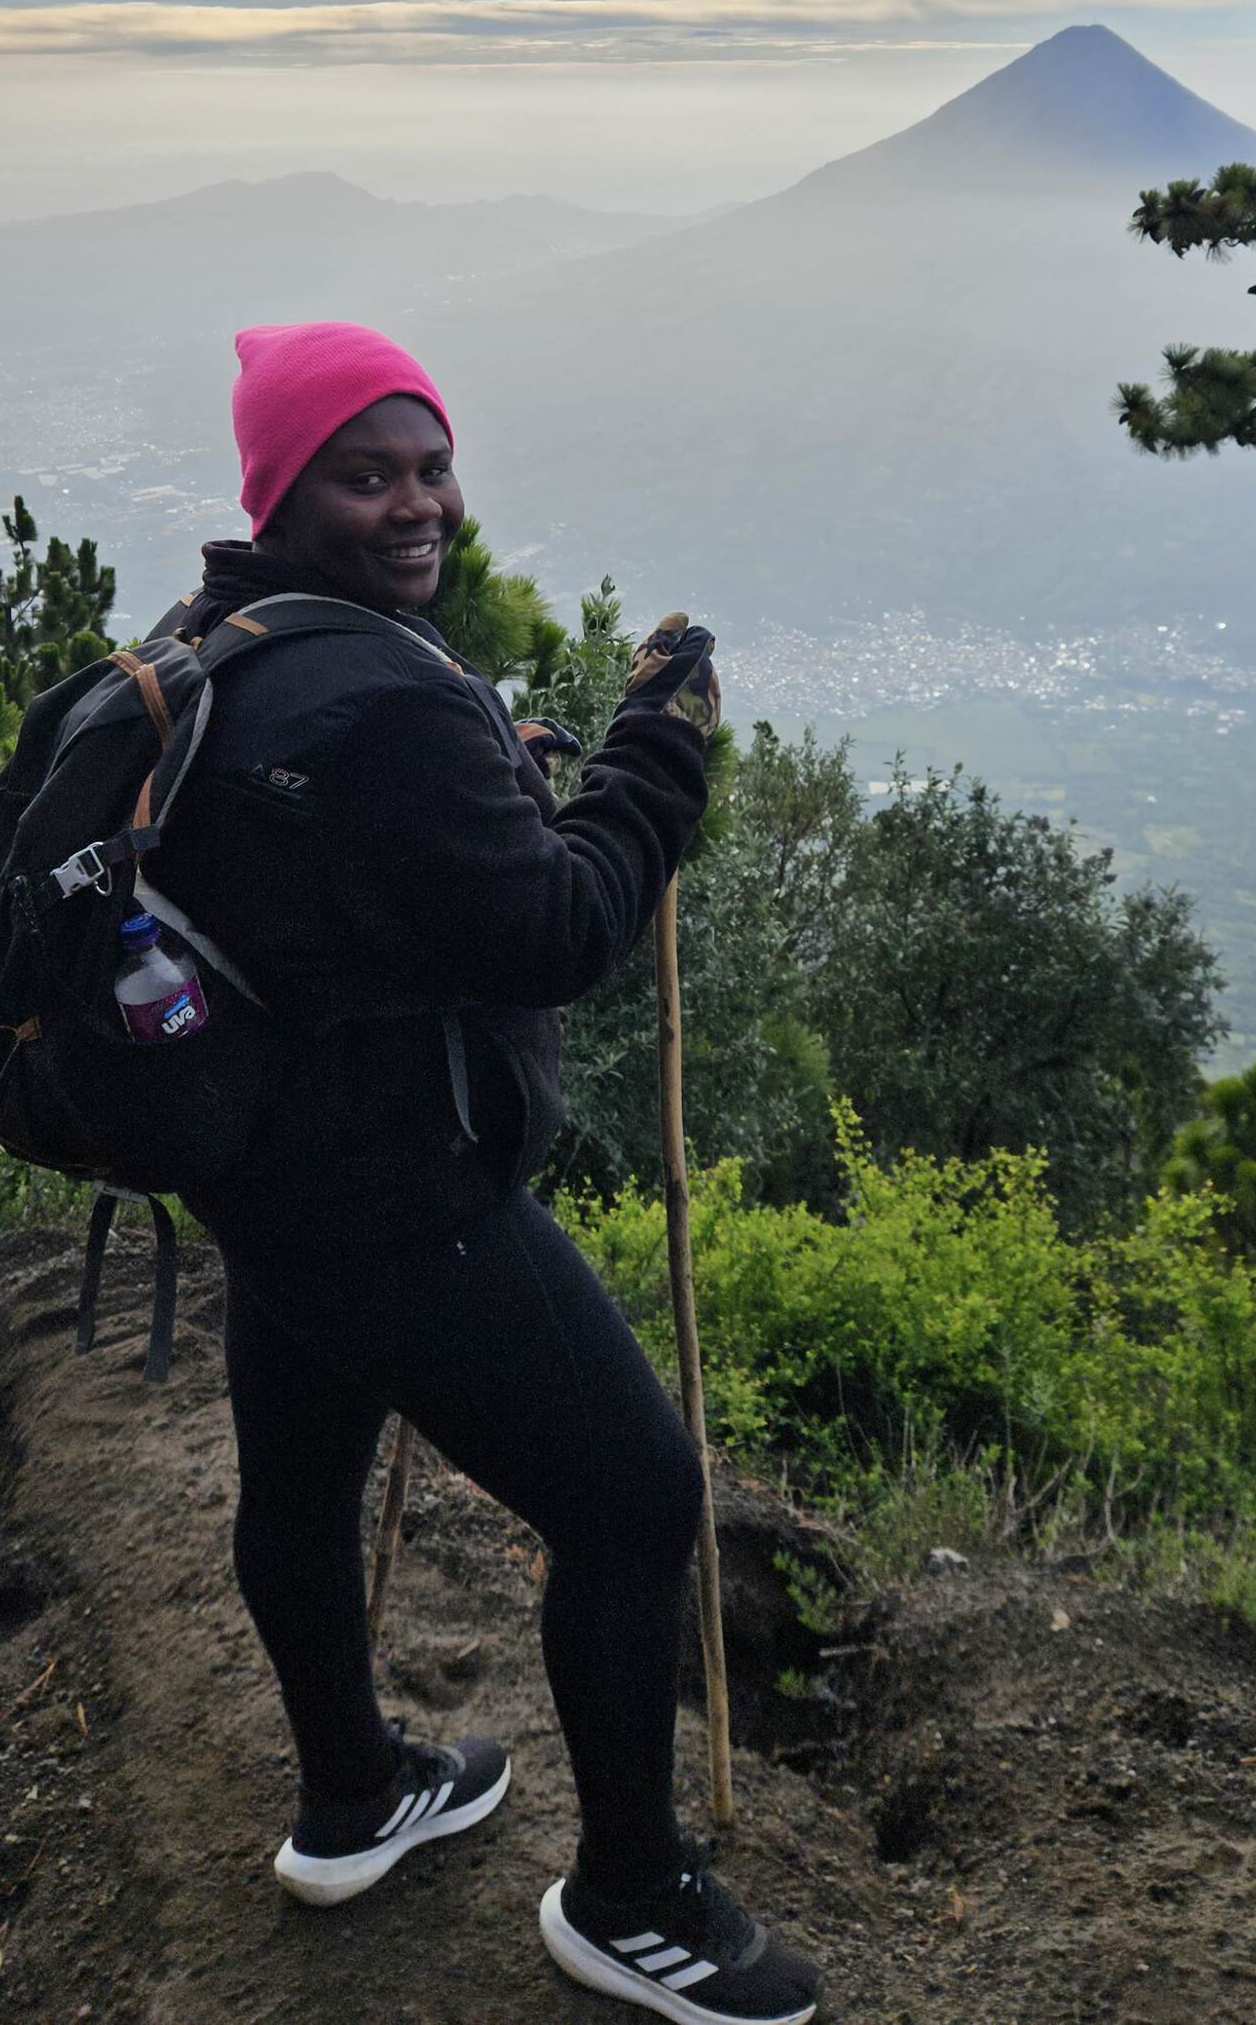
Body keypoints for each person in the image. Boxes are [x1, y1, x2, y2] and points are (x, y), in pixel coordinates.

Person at [143, 320, 822, 2025]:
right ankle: (631, 1897)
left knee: (296, 1482)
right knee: (635, 1499)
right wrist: (654, 752)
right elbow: (561, 930)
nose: (415, 504)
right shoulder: (373, 692)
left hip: (262, 1179)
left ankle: (354, 1792)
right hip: (402, 1199)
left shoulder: (213, 641)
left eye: (430, 466)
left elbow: (336, 884)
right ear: (285, 487)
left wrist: (483, 787)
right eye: (366, 474)